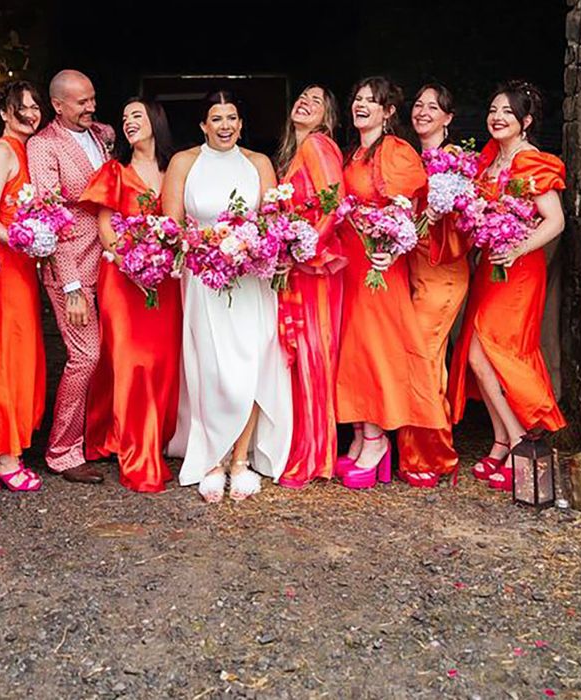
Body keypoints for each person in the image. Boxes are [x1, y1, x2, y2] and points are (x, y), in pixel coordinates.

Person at [164, 91, 292, 502]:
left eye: (231, 118)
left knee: (252, 362)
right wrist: (209, 245)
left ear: (240, 124)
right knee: (211, 367)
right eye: (215, 118)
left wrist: (250, 248)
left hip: (251, 279)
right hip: (204, 280)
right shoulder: (185, 162)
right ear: (203, 125)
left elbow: (273, 225)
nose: (224, 126)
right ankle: (212, 459)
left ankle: (241, 459)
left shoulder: (259, 164)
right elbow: (171, 228)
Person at [447, 81, 566, 491]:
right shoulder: (489, 159)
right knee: (479, 355)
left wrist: (516, 248)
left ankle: (518, 442)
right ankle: (501, 442)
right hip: (490, 269)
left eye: (508, 113)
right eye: (494, 110)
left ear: (526, 121)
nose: (497, 117)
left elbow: (555, 220)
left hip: (518, 270)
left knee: (489, 354)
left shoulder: (533, 162)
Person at [335, 76, 447, 490]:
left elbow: (409, 209)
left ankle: (377, 440)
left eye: (372, 100)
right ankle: (364, 435)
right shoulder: (352, 155)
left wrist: (393, 249)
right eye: (358, 99)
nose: (362, 105)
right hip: (351, 265)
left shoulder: (396, 151)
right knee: (356, 352)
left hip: (379, 265)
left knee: (377, 352)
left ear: (389, 111)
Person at [79, 98, 181, 493]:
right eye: (124, 118)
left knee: (163, 365)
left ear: (156, 120)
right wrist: (134, 267)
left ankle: (153, 439)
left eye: (136, 115)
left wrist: (164, 262)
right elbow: (107, 230)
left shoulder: (177, 169)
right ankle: (137, 455)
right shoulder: (115, 172)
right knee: (131, 363)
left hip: (167, 281)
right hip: (123, 279)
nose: (128, 123)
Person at [27, 69, 115, 484]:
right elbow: (50, 218)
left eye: (92, 98)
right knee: (85, 356)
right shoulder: (43, 147)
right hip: (73, 268)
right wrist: (71, 286)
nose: (91, 107)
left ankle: (99, 437)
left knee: (109, 356)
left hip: (109, 261)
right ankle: (61, 451)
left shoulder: (100, 135)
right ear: (57, 106)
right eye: (82, 102)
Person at [396, 83, 470, 487]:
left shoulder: (457, 161)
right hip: (410, 269)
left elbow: (468, 221)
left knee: (422, 356)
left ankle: (433, 452)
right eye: (419, 105)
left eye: (433, 107)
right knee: (423, 357)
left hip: (443, 271)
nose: (423, 111)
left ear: (448, 117)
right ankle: (415, 450)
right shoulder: (406, 158)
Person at [273, 85, 346, 489]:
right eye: (302, 96)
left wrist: (305, 248)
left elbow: (334, 204)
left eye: (317, 101)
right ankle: (303, 447)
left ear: (327, 118)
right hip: (298, 267)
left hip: (317, 268)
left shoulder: (318, 144)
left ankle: (317, 455)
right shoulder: (292, 156)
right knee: (300, 355)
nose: (305, 102)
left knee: (315, 357)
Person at [0, 81, 46, 491]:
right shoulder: (1, 152)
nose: (31, 115)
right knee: (6, 354)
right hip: (4, 267)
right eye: (21, 108)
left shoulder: (27, 152)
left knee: (24, 354)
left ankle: (14, 445)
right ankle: (1, 454)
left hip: (22, 267)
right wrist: (23, 240)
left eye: (35, 107)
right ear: (4, 112)